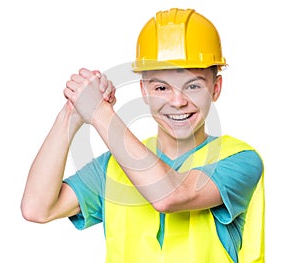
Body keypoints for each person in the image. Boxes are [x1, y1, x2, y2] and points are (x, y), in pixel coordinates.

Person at [21, 8, 265, 263]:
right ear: (144, 91)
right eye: (161, 87)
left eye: (193, 85)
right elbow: (37, 208)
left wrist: (99, 111)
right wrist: (73, 113)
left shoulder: (241, 160)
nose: (178, 101)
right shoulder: (114, 166)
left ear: (216, 89)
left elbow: (170, 195)